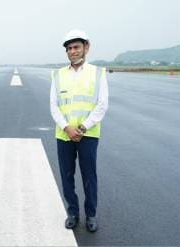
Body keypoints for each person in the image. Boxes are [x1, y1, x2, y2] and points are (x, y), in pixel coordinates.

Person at [50, 29, 109, 232]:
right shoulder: (58, 75)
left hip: (88, 134)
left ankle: (91, 214)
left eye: (76, 47)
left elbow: (102, 105)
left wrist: (82, 127)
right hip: (64, 134)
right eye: (69, 48)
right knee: (67, 176)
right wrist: (67, 127)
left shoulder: (98, 73)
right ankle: (73, 213)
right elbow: (54, 105)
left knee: (89, 176)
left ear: (86, 47)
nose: (73, 51)